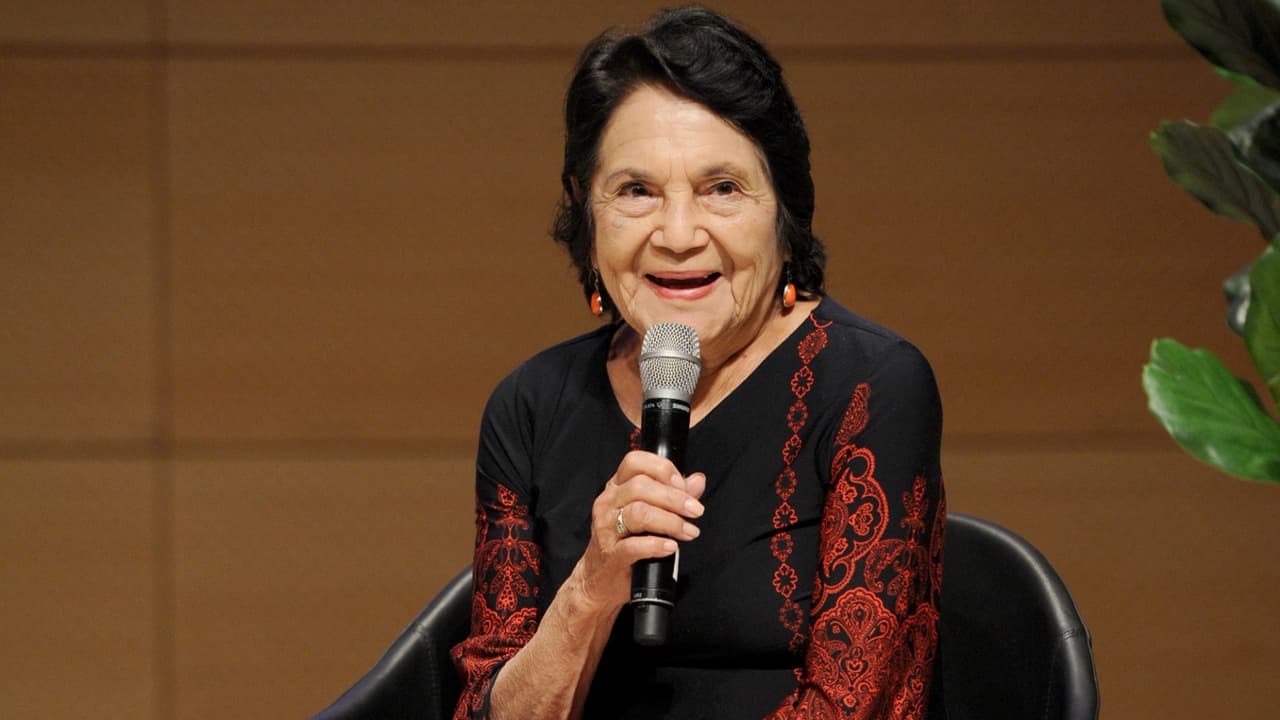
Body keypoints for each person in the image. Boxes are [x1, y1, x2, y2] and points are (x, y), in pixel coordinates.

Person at [451, 7, 945, 719]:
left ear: (785, 213)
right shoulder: (530, 406)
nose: (678, 235)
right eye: (636, 191)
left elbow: (855, 705)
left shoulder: (871, 386)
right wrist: (591, 588)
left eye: (722, 189)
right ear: (587, 218)